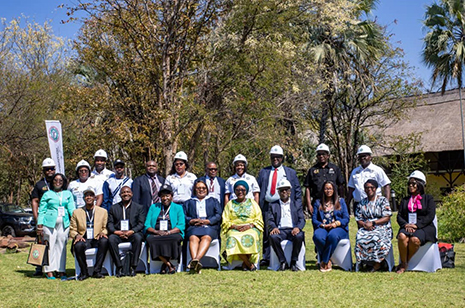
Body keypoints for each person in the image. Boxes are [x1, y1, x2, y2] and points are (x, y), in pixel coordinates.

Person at [257, 145, 302, 267]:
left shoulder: (290, 172)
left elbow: (297, 190)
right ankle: (267, 257)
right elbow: (258, 189)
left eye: (278, 157)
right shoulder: (264, 172)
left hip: (285, 204)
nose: (275, 159)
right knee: (268, 231)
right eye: (273, 157)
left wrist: (297, 205)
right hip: (268, 205)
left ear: (282, 158)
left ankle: (291, 258)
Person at [396, 170, 437, 274]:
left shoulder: (428, 199)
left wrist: (417, 225)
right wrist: (406, 225)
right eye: (409, 183)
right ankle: (404, 263)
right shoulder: (405, 200)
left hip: (424, 226)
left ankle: (404, 263)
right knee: (401, 236)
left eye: (413, 183)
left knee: (414, 240)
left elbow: (430, 215)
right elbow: (399, 215)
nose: (411, 186)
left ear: (420, 184)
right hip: (407, 225)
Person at [36, 173, 75, 279]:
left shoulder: (68, 194)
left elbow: (72, 208)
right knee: (50, 245)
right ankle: (49, 270)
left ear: (63, 182)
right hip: (49, 223)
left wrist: (76, 220)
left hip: (64, 223)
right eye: (56, 180)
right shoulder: (47, 194)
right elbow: (42, 210)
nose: (58, 182)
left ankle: (61, 270)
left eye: (60, 180)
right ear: (52, 181)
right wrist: (39, 224)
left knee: (62, 246)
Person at [222, 180, 264, 271]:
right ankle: (249, 264)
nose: (240, 192)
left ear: (246, 191)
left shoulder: (253, 203)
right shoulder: (230, 204)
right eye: (237, 190)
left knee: (251, 235)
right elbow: (225, 219)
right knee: (233, 237)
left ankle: (245, 264)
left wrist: (250, 226)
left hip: (251, 227)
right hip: (234, 227)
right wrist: (235, 227)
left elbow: (258, 218)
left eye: (243, 190)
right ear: (234, 191)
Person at [70, 187, 109, 280]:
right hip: (84, 238)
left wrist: (102, 233)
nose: (89, 198)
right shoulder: (76, 212)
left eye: (91, 195)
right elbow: (72, 229)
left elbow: (105, 227)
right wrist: (77, 235)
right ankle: (84, 272)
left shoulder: (103, 211)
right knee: (78, 245)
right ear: (83, 198)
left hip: (96, 238)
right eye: (86, 196)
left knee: (104, 241)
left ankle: (97, 270)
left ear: (95, 198)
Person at [145, 184, 185, 274]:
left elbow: (181, 225)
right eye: (162, 196)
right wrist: (156, 231)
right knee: (151, 239)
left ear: (171, 196)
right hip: (156, 234)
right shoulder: (153, 207)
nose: (165, 198)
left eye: (167, 195)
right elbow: (147, 224)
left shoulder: (178, 208)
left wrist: (169, 232)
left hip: (172, 233)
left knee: (175, 239)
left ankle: (165, 264)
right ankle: (169, 264)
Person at [184, 180, 222, 274]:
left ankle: (195, 260)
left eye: (203, 188)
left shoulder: (213, 200)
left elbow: (218, 215)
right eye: (198, 188)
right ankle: (196, 262)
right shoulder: (189, 202)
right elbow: (183, 216)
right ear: (195, 190)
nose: (201, 190)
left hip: (209, 227)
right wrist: (191, 221)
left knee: (206, 237)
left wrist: (208, 221)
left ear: (207, 189)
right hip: (194, 227)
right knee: (193, 238)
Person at [267, 179, 305, 271]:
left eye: (286, 190)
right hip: (280, 230)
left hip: (293, 230)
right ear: (278, 192)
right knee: (273, 237)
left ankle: (293, 262)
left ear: (290, 191)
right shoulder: (273, 205)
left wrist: (298, 228)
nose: (284, 192)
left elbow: (302, 219)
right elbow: (270, 219)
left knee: (299, 236)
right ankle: (282, 261)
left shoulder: (296, 204)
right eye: (281, 190)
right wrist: (274, 227)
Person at [354, 179, 392, 272]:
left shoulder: (382, 200)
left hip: (381, 226)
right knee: (360, 237)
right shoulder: (362, 203)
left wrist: (374, 223)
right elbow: (358, 218)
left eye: (372, 187)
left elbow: (387, 217)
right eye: (367, 188)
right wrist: (364, 224)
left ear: (376, 189)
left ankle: (377, 263)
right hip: (366, 227)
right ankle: (364, 262)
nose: (369, 189)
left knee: (375, 237)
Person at [107, 186, 146, 277]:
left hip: (133, 233)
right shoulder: (114, 208)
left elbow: (141, 223)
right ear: (120, 195)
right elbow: (110, 224)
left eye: (128, 192)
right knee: (111, 239)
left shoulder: (139, 207)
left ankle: (133, 266)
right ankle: (119, 267)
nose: (126, 194)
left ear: (132, 194)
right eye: (123, 192)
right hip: (118, 234)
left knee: (138, 238)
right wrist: (116, 232)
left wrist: (132, 231)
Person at [312, 181, 350, 272]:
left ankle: (324, 260)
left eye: (330, 188)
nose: (328, 190)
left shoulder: (341, 201)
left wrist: (335, 224)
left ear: (334, 190)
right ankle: (328, 259)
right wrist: (322, 225)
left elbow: (346, 218)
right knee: (317, 236)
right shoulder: (318, 202)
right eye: (326, 188)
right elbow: (314, 219)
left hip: (338, 228)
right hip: (323, 227)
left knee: (332, 236)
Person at [30, 158, 56, 276]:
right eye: (47, 169)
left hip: (57, 218)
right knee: (42, 242)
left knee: (54, 243)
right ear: (43, 170)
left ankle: (54, 266)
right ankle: (39, 267)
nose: (50, 171)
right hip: (44, 218)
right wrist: (37, 218)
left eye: (52, 169)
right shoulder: (40, 184)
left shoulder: (58, 182)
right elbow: (35, 201)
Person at [347, 145, 391, 215]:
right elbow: (351, 189)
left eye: (365, 156)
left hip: (375, 203)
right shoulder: (355, 172)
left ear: (370, 157)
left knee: (376, 224)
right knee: (361, 225)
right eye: (360, 156)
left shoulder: (377, 170)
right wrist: (347, 203)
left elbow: (386, 185)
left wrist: (386, 203)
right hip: (359, 204)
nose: (362, 158)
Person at [304, 143, 344, 215]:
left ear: (328, 156)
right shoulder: (312, 170)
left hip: (333, 202)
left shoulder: (335, 169)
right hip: (318, 202)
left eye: (323, 154)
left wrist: (341, 201)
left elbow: (340, 185)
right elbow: (307, 188)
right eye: (319, 154)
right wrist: (309, 204)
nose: (321, 156)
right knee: (318, 224)